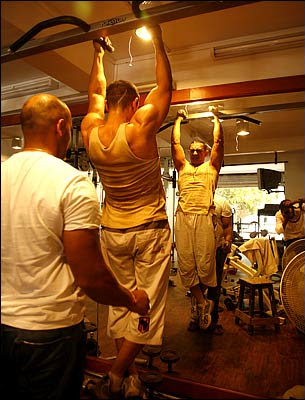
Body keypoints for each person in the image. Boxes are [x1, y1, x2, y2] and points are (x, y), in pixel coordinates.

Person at [1, 93, 150, 400]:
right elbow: (91, 277)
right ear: (60, 127)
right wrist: (131, 300)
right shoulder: (71, 182)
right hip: (49, 333)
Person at [81, 25, 172, 399]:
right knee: (146, 306)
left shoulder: (90, 133)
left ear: (108, 105)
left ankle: (130, 378)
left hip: (113, 232)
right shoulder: (139, 131)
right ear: (135, 104)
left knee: (122, 303)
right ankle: (117, 375)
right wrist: (160, 43)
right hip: (149, 229)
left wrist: (99, 54)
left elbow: (93, 94)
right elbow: (166, 89)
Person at [171, 108, 224, 332]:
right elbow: (175, 145)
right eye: (191, 150)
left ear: (205, 153)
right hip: (183, 217)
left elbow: (219, 141)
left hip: (203, 217)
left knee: (204, 265)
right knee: (185, 264)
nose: (193, 153)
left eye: (197, 150)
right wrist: (178, 120)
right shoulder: (182, 167)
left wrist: (215, 118)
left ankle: (203, 305)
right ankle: (202, 303)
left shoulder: (211, 168)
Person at [206, 193, 233, 335]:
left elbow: (227, 226)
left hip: (217, 249)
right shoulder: (194, 202)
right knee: (196, 283)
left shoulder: (222, 202)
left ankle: (212, 320)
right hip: (199, 249)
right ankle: (196, 318)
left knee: (214, 284)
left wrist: (228, 241)